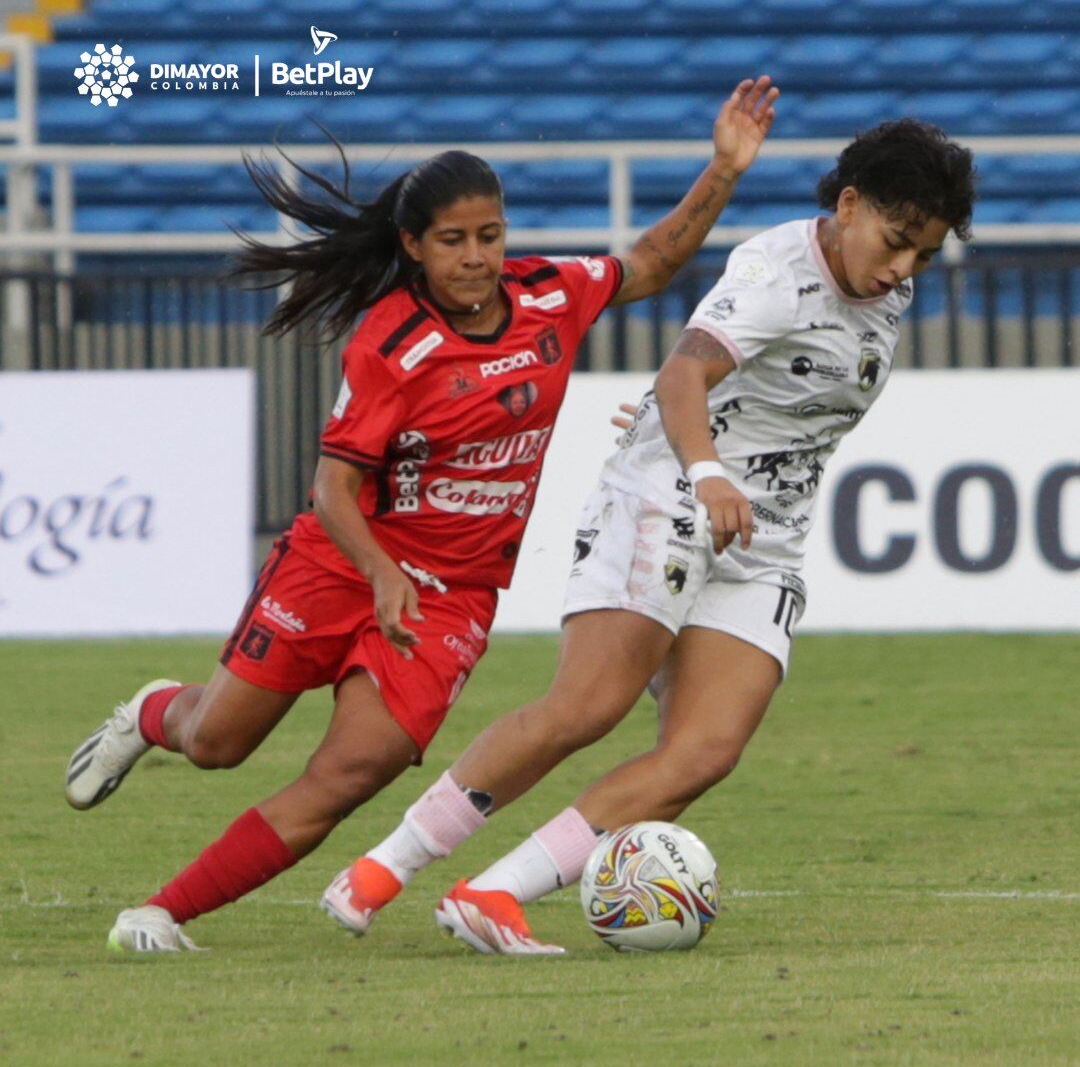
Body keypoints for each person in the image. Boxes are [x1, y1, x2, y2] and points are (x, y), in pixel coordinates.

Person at [63, 76, 781, 952]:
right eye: (453, 241)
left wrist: (723, 170)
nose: (476, 256)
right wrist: (381, 573)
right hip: (343, 563)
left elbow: (652, 263)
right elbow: (333, 489)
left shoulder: (553, 295)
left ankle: (161, 912)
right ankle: (150, 715)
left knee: (350, 774)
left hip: (452, 598)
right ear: (414, 246)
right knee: (216, 741)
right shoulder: (391, 343)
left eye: (490, 235)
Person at [327, 118, 977, 954]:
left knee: (704, 752)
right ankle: (382, 868)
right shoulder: (778, 274)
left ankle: (492, 893)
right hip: (675, 495)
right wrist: (703, 466)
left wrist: (727, 449)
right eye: (895, 243)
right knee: (585, 708)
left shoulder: (885, 285)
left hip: (764, 536)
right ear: (848, 206)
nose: (902, 269)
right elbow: (684, 373)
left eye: (921, 255)